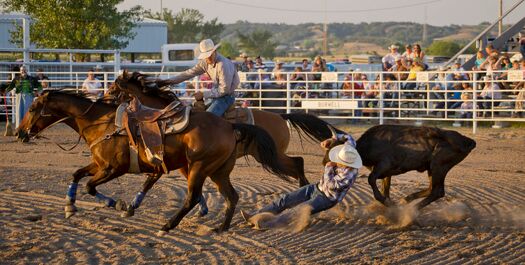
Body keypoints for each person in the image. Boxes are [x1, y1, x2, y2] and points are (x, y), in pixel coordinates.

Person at [240, 134, 361, 230]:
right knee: (285, 199)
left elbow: (331, 185)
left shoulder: (349, 175)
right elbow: (348, 137)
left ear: (346, 163)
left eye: (338, 160)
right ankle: (255, 215)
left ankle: (268, 224)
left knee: (296, 211)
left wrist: (329, 167)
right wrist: (331, 139)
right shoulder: (349, 149)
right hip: (317, 187)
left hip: (326, 198)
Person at [160, 39, 239, 117]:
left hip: (226, 97)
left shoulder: (222, 64)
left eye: (209, 55)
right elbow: (189, 73)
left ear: (214, 52)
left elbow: (224, 90)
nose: (207, 58)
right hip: (216, 95)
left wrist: (203, 94)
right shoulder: (205, 63)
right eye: (206, 56)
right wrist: (169, 81)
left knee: (207, 118)